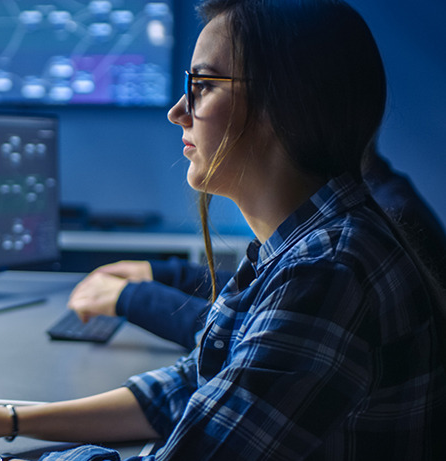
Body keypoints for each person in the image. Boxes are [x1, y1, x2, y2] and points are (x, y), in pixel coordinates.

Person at [0, 0, 446, 461]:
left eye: (203, 84)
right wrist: (8, 419)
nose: (179, 111)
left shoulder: (328, 271)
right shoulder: (301, 243)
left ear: (280, 106)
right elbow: (190, 388)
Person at [66, 145, 446, 351]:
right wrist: (166, 275)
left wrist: (133, 299)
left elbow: (256, 332)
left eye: (205, 86)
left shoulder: (347, 247)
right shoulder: (366, 199)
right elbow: (269, 291)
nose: (180, 113)